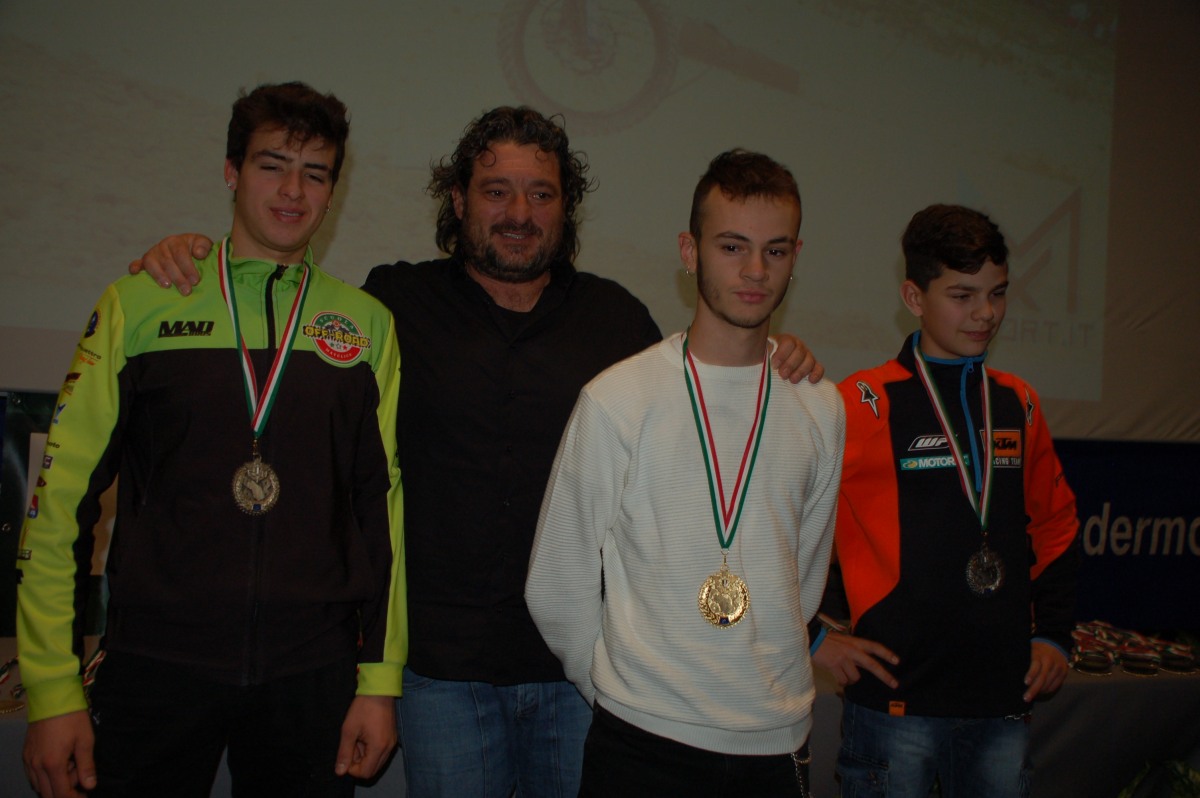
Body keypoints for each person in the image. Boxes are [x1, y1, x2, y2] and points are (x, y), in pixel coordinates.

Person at [129, 107, 822, 797]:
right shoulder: (391, 304)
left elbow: (703, 417)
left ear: (565, 208)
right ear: (459, 201)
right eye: (496, 191)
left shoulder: (617, 321)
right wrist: (195, 259)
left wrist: (773, 355)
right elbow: (285, 318)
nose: (520, 213)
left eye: (542, 194)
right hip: (439, 675)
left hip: (583, 680)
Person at [17, 82, 406, 798]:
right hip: (154, 666)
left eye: (315, 173)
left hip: (311, 676)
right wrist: (51, 687)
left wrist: (379, 680)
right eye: (271, 165)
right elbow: (59, 502)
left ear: (333, 191)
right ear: (232, 171)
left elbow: (380, 517)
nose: (292, 191)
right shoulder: (140, 302)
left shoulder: (365, 326)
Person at [525, 149, 844, 797]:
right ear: (689, 251)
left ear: (795, 257)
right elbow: (557, 583)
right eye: (732, 247)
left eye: (775, 250)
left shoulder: (819, 405)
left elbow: (802, 580)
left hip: (774, 741)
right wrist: (621, 691)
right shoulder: (618, 399)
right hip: (640, 740)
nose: (755, 271)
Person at [819, 204, 1079, 796]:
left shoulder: (1018, 402)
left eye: (998, 293)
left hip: (1001, 700)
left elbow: (1056, 524)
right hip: (896, 704)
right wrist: (813, 633)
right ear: (914, 296)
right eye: (963, 295)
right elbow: (784, 521)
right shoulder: (862, 402)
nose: (986, 313)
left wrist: (1053, 634)